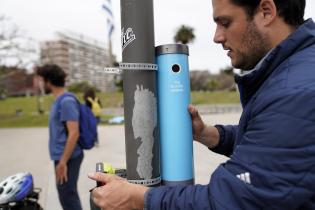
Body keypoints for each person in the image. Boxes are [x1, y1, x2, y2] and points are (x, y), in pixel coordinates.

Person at [89, 0, 315, 209]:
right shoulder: (298, 71)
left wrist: (138, 197)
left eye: (225, 23)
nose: (217, 37)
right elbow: (273, 144)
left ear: (266, 11)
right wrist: (210, 135)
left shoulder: (294, 92)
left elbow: (228, 200)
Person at [37, 64, 83, 210]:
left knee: (68, 196)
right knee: (66, 195)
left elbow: (74, 133)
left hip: (68, 157)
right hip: (63, 157)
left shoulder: (66, 101)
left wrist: (62, 162)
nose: (40, 84)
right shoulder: (59, 100)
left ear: (48, 81)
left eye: (41, 80)